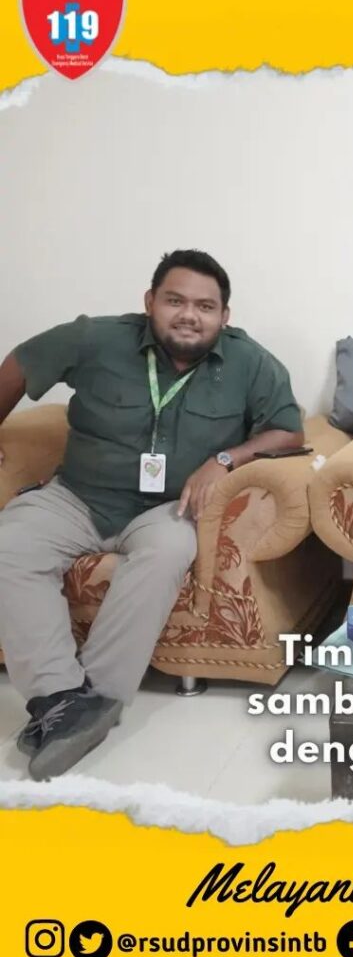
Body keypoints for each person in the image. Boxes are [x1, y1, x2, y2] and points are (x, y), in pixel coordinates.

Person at [0, 249, 304, 779]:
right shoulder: (95, 338)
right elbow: (21, 364)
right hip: (78, 496)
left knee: (166, 553)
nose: (189, 315)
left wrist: (225, 459)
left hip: (169, 508)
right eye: (175, 301)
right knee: (9, 545)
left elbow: (289, 432)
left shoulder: (249, 361)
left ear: (224, 315)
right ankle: (60, 699)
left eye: (205, 306)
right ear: (150, 302)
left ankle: (92, 700)